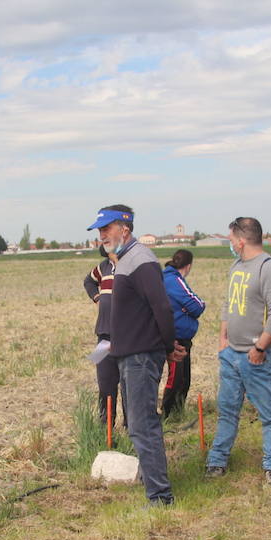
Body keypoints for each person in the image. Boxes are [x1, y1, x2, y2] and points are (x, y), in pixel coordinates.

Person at [90, 204, 184, 504]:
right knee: (139, 426)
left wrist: (168, 347)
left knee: (143, 426)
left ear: (125, 229)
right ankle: (152, 481)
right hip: (127, 355)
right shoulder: (124, 260)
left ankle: (160, 496)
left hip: (141, 356)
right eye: (100, 231)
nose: (102, 235)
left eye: (107, 229)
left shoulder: (141, 260)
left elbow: (162, 307)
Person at [206, 216, 271, 486]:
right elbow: (228, 304)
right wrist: (222, 339)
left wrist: (260, 346)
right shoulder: (236, 266)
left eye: (231, 240)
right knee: (227, 410)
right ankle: (217, 461)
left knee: (267, 413)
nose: (230, 244)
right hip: (231, 354)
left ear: (241, 241)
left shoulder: (269, 268)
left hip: (257, 356)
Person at [161, 249, 206, 421]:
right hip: (176, 338)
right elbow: (197, 305)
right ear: (188, 266)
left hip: (182, 337)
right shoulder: (174, 280)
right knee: (176, 378)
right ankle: (167, 413)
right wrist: (187, 309)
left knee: (184, 378)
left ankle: (177, 413)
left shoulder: (171, 278)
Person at [84, 243, 124, 429]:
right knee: (105, 384)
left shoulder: (130, 265)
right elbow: (88, 281)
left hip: (127, 336)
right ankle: (105, 429)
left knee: (128, 387)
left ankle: (131, 429)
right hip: (103, 335)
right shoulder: (104, 266)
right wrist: (97, 297)